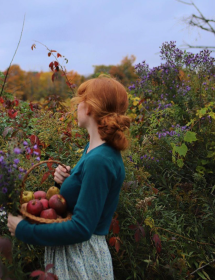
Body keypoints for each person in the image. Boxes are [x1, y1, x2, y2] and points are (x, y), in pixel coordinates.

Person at [7, 75, 131, 280]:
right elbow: (88, 199)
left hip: (82, 260)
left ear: (89, 108)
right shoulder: (94, 151)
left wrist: (23, 230)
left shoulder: (100, 159)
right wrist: (66, 182)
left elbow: (81, 228)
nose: (77, 107)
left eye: (80, 102)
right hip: (76, 256)